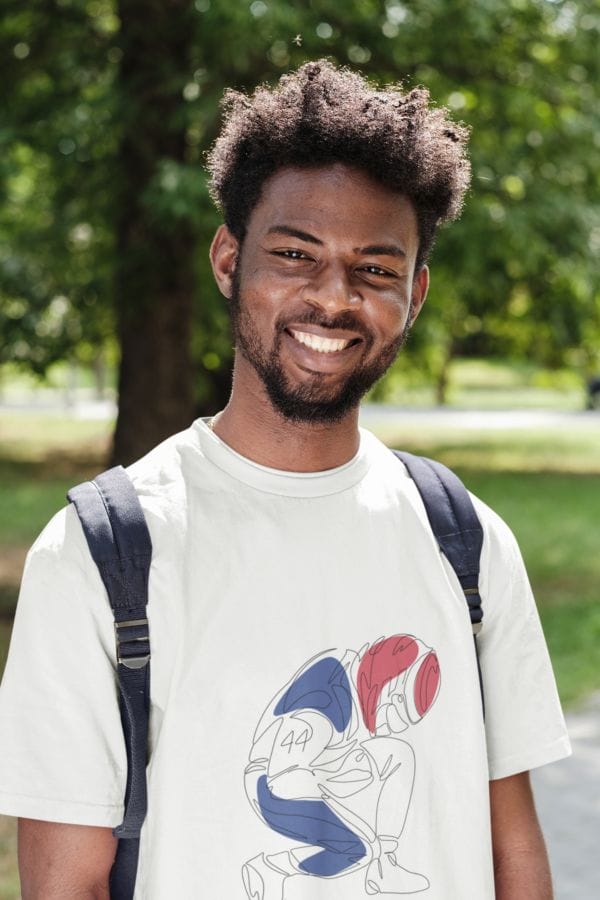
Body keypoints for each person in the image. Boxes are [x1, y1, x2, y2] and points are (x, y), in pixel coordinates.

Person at [0, 60, 570, 899]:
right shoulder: (104, 552)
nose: (332, 298)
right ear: (229, 259)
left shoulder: (466, 539)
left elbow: (512, 854)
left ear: (414, 294)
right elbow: (64, 887)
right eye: (295, 254)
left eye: (375, 269)